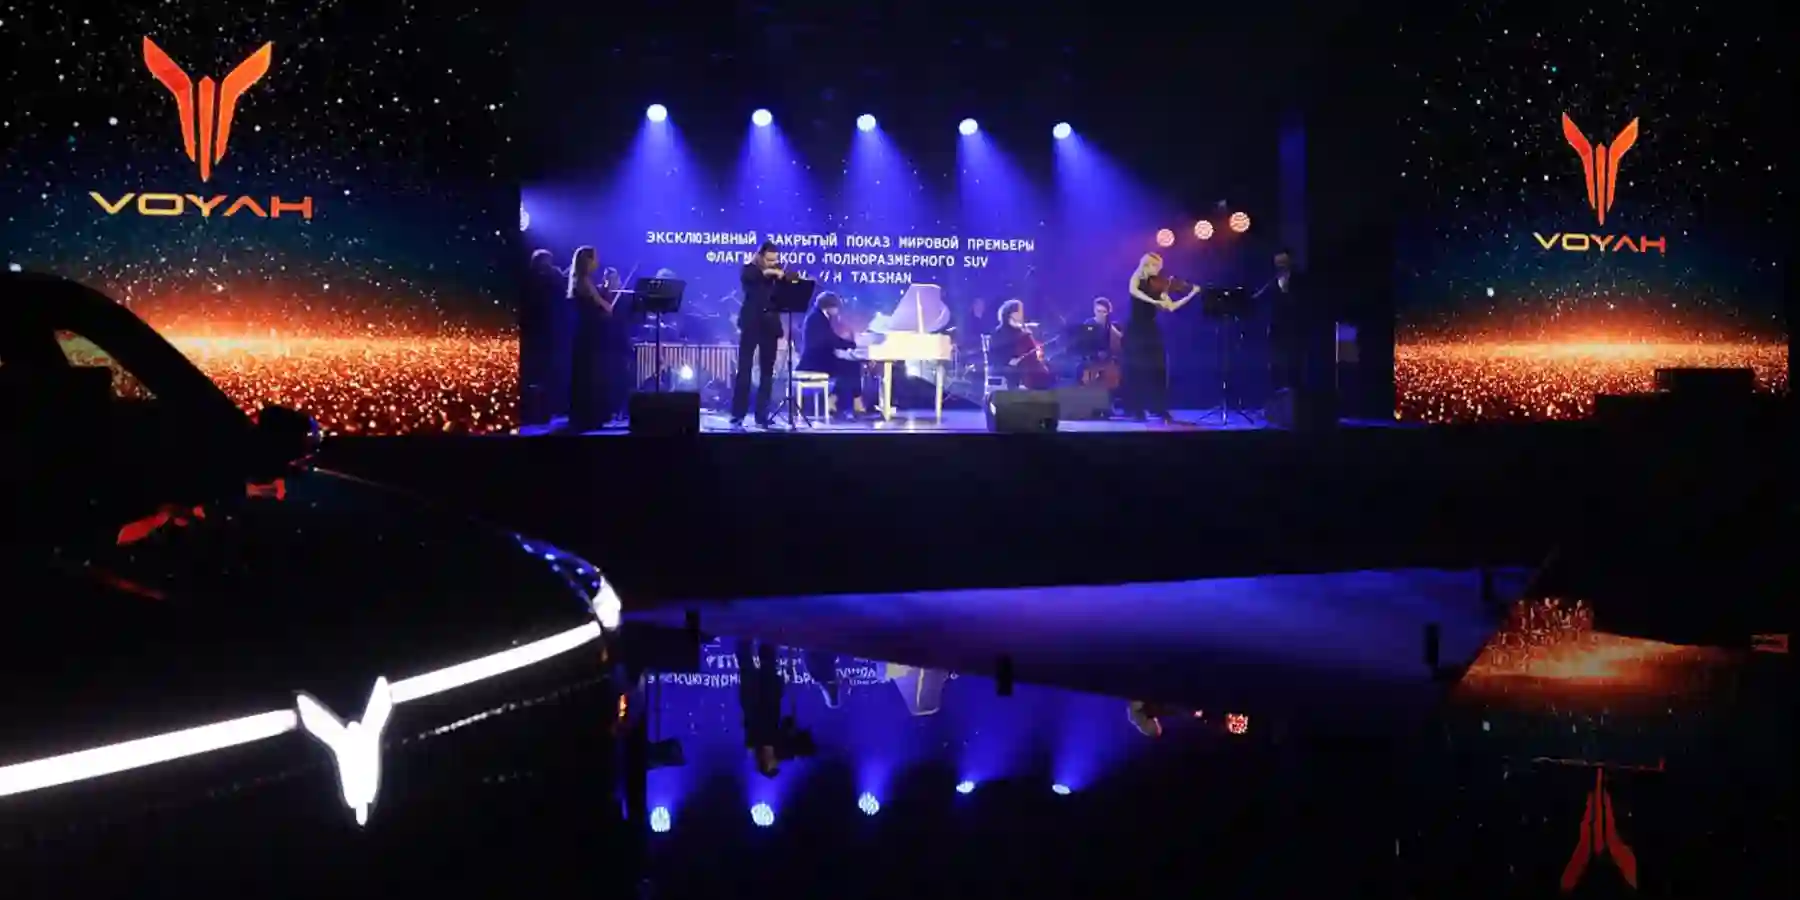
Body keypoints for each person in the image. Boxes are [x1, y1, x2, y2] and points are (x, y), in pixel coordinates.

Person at [1123, 252, 1197, 423]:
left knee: (1158, 369)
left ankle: (1158, 407)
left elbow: (1171, 307)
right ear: (1147, 265)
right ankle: (1136, 409)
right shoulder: (1136, 278)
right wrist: (1152, 301)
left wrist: (1191, 294)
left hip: (1151, 329)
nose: (1158, 270)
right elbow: (1134, 292)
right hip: (1135, 329)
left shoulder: (1158, 286)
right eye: (1156, 266)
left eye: (1159, 267)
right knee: (1136, 369)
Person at [731, 243, 786, 428]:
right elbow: (752, 280)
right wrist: (770, 273)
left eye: (775, 260)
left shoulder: (778, 272)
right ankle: (738, 414)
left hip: (770, 326)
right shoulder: (750, 270)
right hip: (751, 324)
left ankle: (762, 415)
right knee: (744, 369)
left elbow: (784, 292)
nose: (772, 264)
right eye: (769, 260)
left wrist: (783, 278)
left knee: (767, 372)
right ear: (760, 256)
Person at [566, 247, 619, 432]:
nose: (597, 261)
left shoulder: (580, 280)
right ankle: (589, 417)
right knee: (589, 375)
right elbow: (603, 306)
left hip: (585, 333)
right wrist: (607, 304)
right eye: (595, 258)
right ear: (587, 261)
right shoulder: (585, 281)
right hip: (589, 335)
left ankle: (584, 416)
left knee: (586, 374)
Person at [797, 291, 864, 421]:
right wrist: (850, 345)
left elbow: (829, 339)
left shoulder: (819, 316)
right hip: (815, 362)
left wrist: (847, 346)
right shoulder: (816, 318)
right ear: (829, 306)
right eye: (836, 307)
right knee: (850, 367)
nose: (837, 310)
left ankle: (839, 400)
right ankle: (848, 404)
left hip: (821, 359)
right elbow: (830, 339)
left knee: (852, 366)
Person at [519, 249, 568, 426]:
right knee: (538, 373)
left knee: (547, 373)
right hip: (538, 331)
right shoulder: (539, 279)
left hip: (547, 330)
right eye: (546, 261)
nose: (548, 264)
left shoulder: (546, 277)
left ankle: (544, 411)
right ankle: (536, 412)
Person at [991, 299, 1053, 389]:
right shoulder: (1000, 333)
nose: (1021, 315)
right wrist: (1009, 361)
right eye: (1019, 312)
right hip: (1013, 367)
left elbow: (1031, 351)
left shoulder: (1022, 330)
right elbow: (996, 355)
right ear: (1011, 314)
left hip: (1029, 364)